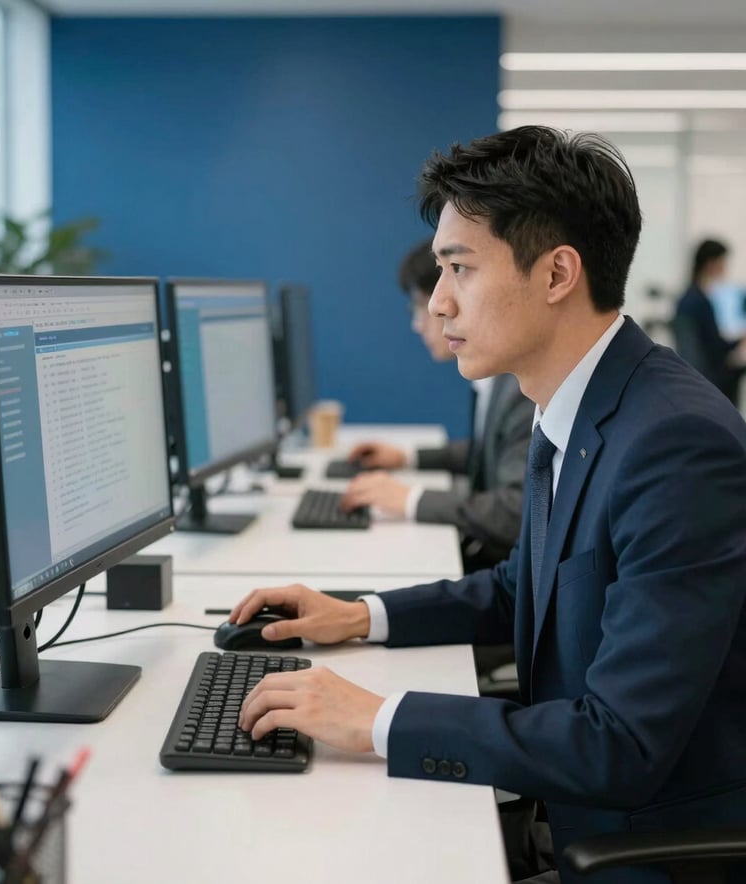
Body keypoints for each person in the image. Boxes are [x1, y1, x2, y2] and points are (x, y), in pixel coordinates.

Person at [231, 127, 746, 884]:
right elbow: (523, 589)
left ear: (557, 273)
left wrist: (376, 719)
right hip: (568, 814)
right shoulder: (580, 406)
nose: (438, 304)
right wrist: (360, 614)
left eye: (459, 269)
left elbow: (620, 744)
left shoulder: (675, 445)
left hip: (644, 854)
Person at [342, 239, 533, 572]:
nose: (422, 320)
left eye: (420, 305)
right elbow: (488, 451)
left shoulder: (521, 389)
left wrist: (411, 499)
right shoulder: (496, 382)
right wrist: (409, 457)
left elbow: (517, 512)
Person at [674, 238, 746, 404]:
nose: (724, 268)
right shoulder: (699, 302)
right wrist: (738, 342)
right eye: (722, 262)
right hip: (709, 378)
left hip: (697, 375)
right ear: (711, 263)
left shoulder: (688, 299)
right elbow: (715, 348)